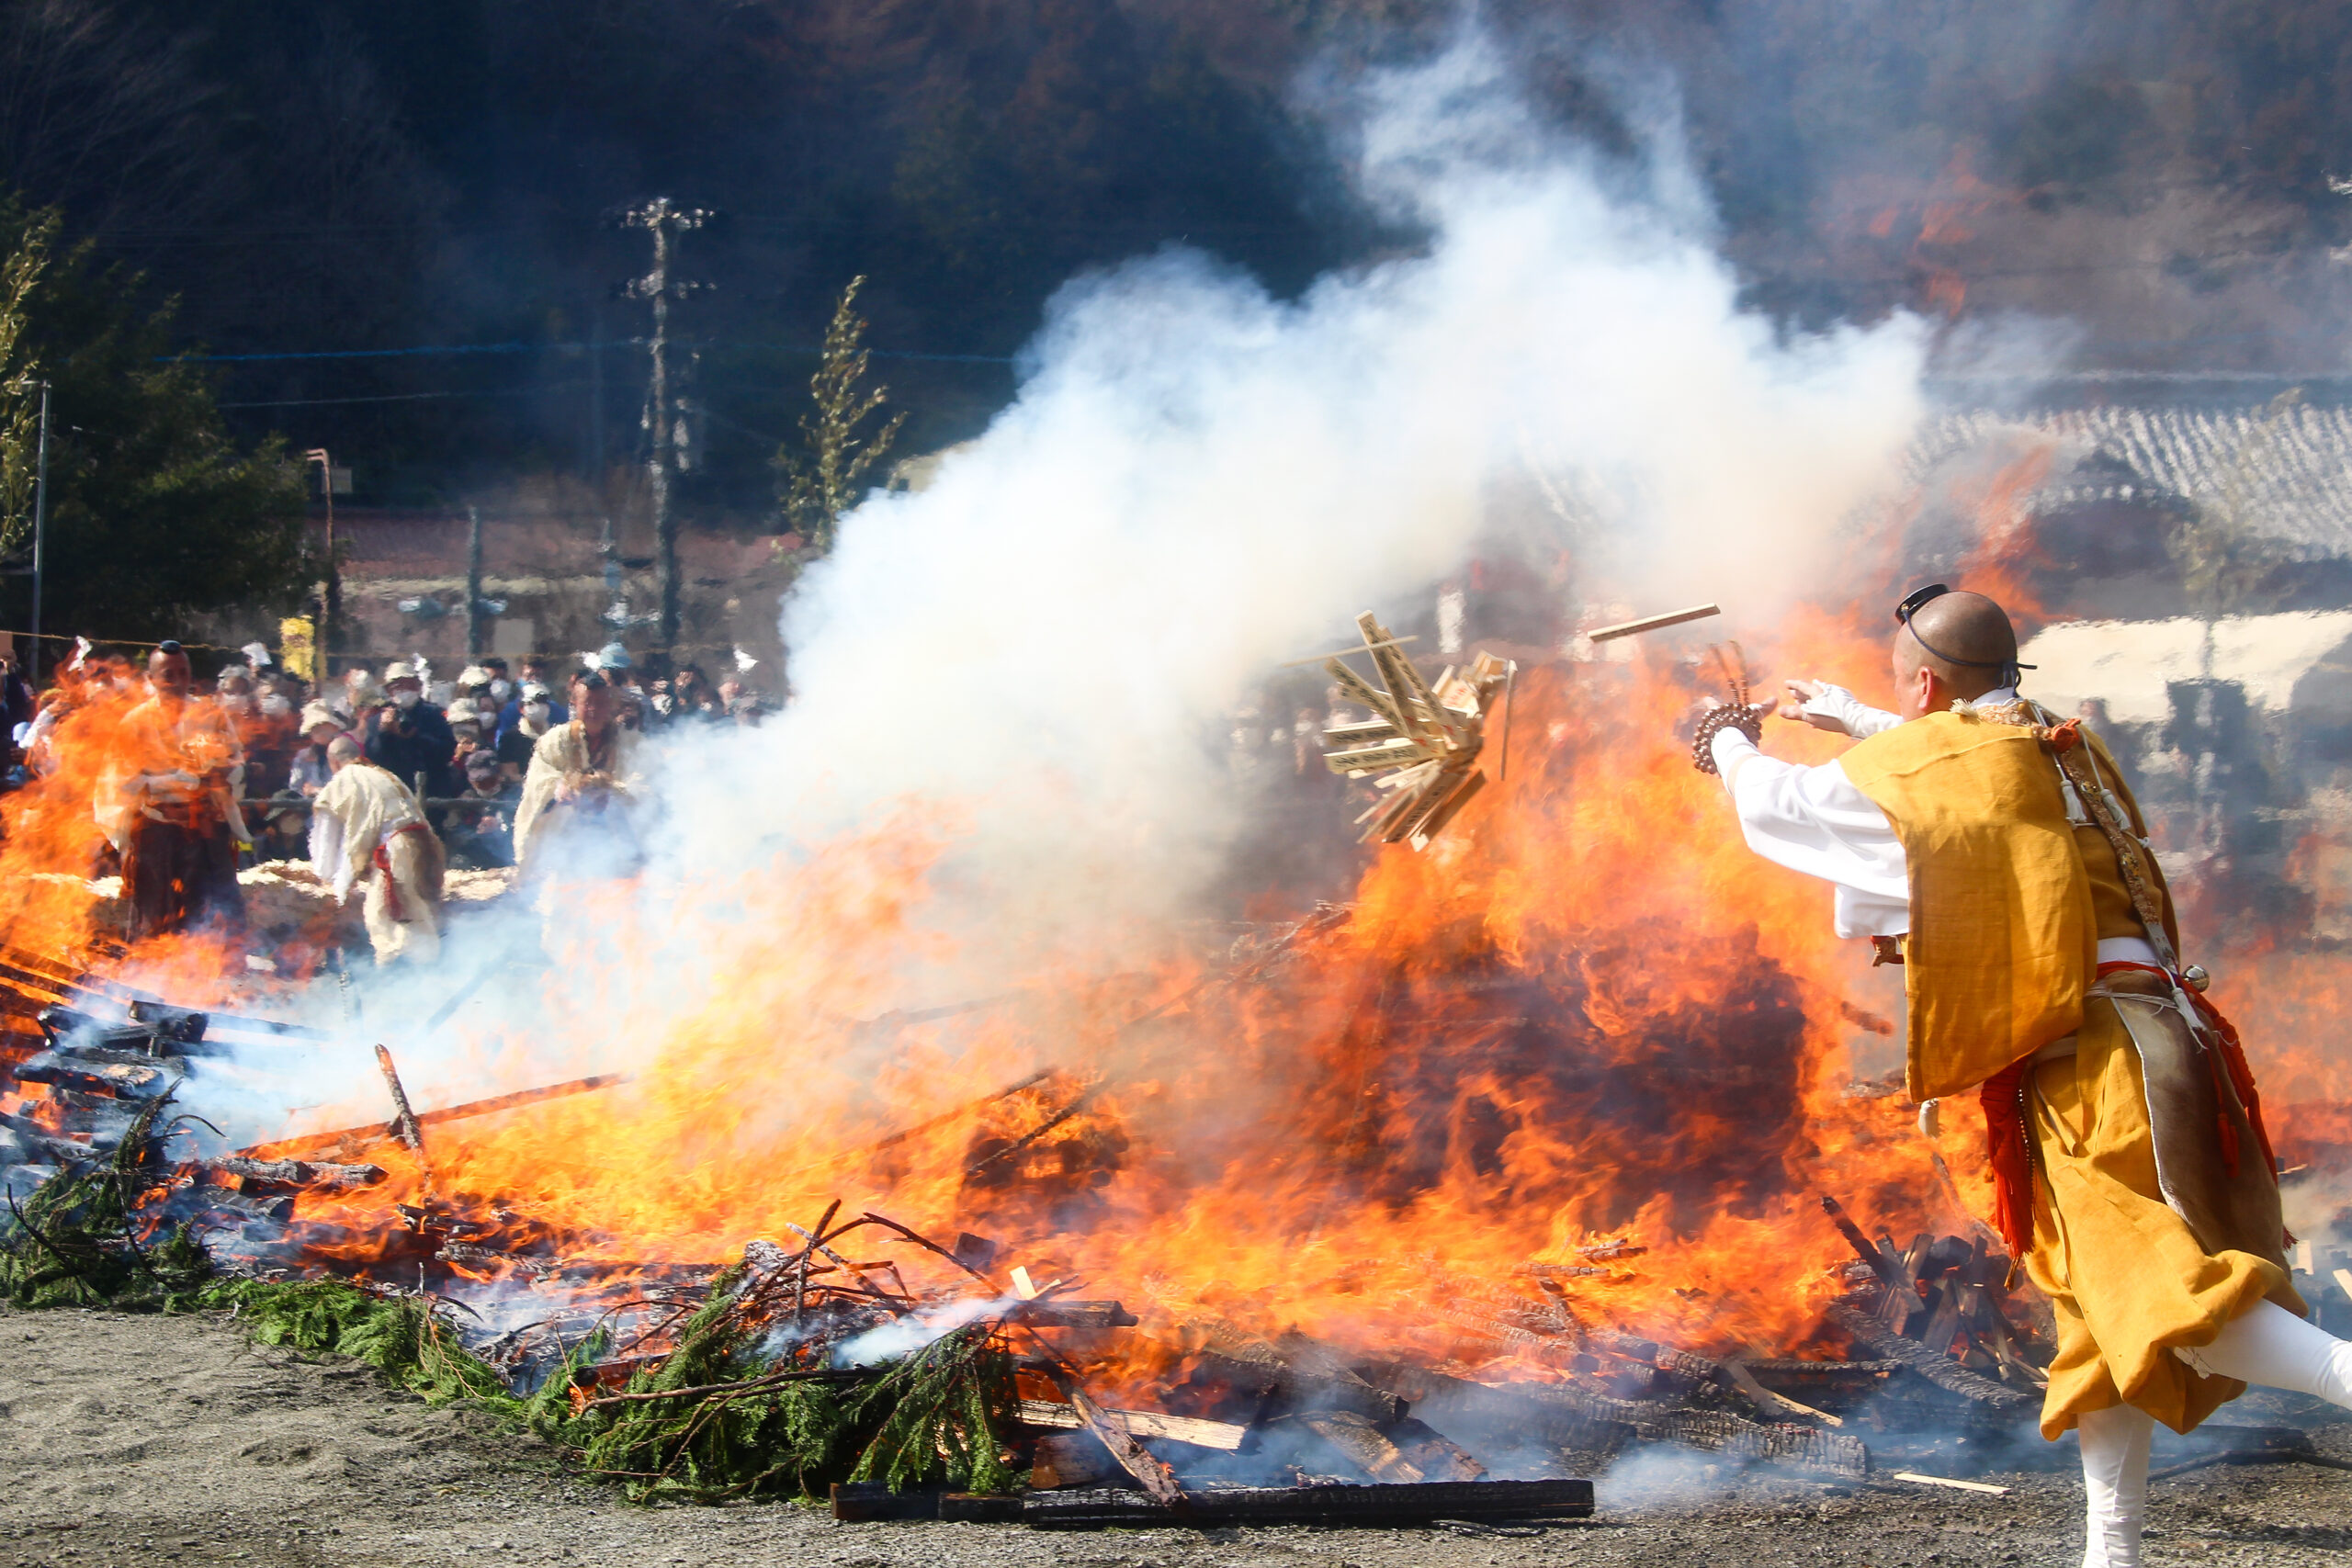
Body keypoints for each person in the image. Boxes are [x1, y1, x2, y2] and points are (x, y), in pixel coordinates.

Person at [1702, 585, 2352, 1567]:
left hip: (2102, 1069)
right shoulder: (2060, 744)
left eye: (1899, 692)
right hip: (2156, 1043)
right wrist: (1855, 712)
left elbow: (1794, 808)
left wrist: (1723, 747)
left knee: (2179, 1310)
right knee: (2100, 1320)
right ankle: (2111, 1554)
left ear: (1922, 682)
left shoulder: (1942, 756)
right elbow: (1972, 775)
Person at [97, 642, 248, 941]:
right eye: (168, 674)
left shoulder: (212, 715)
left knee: (212, 918)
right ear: (151, 679)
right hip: (158, 833)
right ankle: (153, 976)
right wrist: (165, 781)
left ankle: (214, 977)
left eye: (183, 673)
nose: (177, 682)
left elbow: (237, 765)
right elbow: (116, 781)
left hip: (204, 832)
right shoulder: (134, 723)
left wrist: (217, 774)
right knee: (155, 920)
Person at [309, 734, 444, 966]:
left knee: (382, 917)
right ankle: (427, 966)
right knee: (418, 912)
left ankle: (397, 974)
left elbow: (327, 836)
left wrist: (329, 877)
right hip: (425, 845)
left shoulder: (344, 779)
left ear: (333, 761)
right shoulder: (384, 774)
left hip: (398, 850)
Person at [513, 670, 643, 879]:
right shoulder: (555, 740)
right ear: (574, 704)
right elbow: (539, 780)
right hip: (566, 832)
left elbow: (642, 782)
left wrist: (609, 790)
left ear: (610, 705)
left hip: (616, 833)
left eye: (600, 703)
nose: (593, 709)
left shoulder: (630, 741)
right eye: (587, 702)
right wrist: (561, 787)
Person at [359, 660, 457, 800]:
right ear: (388, 690)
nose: (404, 690)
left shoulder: (433, 714)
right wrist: (384, 731)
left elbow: (447, 751)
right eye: (398, 686)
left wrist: (415, 736)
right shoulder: (377, 720)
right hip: (393, 793)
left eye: (409, 685)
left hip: (431, 789)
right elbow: (372, 757)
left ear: (418, 686)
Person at [444, 748, 522, 870]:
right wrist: (478, 834)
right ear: (471, 781)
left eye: (491, 780)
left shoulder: (515, 794)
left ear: (499, 776)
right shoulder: (464, 802)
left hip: (512, 857)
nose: (488, 787)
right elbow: (452, 833)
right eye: (481, 783)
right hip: (478, 860)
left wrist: (502, 827)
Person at [288, 702, 348, 795]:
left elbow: (347, 789)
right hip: (309, 807)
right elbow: (295, 788)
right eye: (313, 727)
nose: (317, 730)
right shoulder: (303, 756)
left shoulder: (347, 751)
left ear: (334, 727)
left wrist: (317, 791)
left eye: (322, 724)